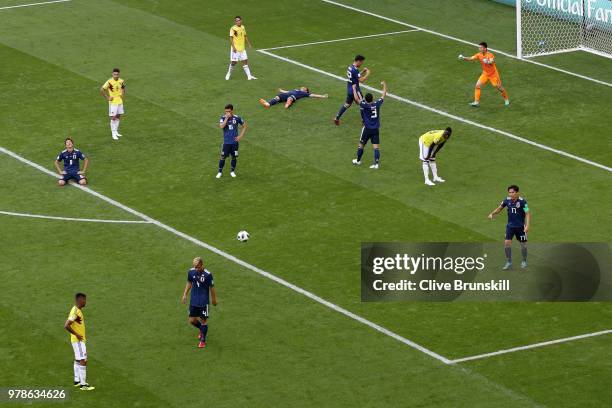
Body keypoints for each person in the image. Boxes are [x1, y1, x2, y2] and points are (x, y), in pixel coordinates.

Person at [488, 185, 531, 270]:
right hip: (510, 227)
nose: (511, 194)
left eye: (512, 192)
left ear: (517, 192)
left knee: (523, 245)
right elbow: (499, 208)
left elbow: (527, 213)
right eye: (509, 192)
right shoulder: (507, 200)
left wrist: (527, 225)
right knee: (507, 243)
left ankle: (524, 261)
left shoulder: (523, 202)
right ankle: (509, 262)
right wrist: (492, 213)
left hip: (520, 228)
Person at [181, 257, 218, 348]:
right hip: (194, 300)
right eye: (195, 266)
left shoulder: (208, 275)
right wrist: (185, 294)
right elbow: (189, 282)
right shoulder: (191, 272)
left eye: (197, 266)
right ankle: (202, 329)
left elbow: (212, 288)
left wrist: (213, 300)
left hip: (203, 302)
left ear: (202, 264)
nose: (196, 268)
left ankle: (203, 340)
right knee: (191, 320)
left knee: (203, 320)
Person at [458, 42, 509, 107]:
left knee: (499, 87)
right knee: (477, 86)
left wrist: (487, 61)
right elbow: (471, 58)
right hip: (485, 74)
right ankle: (476, 102)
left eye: (481, 47)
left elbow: (491, 62)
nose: (479, 48)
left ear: (485, 48)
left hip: (493, 74)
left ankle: (506, 99)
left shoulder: (490, 55)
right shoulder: (479, 55)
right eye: (479, 47)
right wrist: (463, 57)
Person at [351, 81, 387, 169]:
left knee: (361, 145)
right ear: (372, 98)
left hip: (367, 129)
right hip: (375, 129)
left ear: (366, 99)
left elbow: (356, 99)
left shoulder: (364, 105)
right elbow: (383, 95)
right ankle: (376, 164)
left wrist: (354, 89)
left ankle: (358, 160)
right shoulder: (377, 104)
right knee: (376, 147)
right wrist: (384, 85)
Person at [64, 293, 95, 391]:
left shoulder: (77, 310)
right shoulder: (75, 312)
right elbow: (66, 325)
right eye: (84, 300)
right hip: (78, 340)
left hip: (77, 340)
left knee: (78, 359)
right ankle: (83, 385)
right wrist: (77, 334)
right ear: (79, 300)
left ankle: (77, 381)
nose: (85, 302)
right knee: (83, 360)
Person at [334, 55, 369, 125]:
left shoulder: (350, 67)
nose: (361, 64)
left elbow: (356, 76)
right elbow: (361, 80)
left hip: (350, 89)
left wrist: (363, 71)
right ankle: (364, 121)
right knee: (362, 104)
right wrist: (368, 73)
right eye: (361, 62)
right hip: (355, 90)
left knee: (347, 104)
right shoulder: (355, 70)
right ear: (358, 61)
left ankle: (337, 117)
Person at [217, 104, 247, 179]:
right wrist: (226, 118)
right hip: (226, 143)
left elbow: (245, 126)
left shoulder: (237, 118)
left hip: (234, 143)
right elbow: (221, 126)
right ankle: (220, 172)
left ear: (232, 111)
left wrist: (240, 136)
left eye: (229, 111)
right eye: (226, 111)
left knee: (234, 157)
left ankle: (232, 171)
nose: (227, 113)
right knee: (223, 157)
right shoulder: (223, 118)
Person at [225, 16, 256, 81]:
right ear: (235, 22)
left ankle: (249, 76)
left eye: (239, 20)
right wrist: (233, 47)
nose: (238, 21)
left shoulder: (243, 27)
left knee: (245, 61)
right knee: (234, 62)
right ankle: (228, 73)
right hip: (235, 49)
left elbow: (245, 36)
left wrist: (249, 44)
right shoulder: (233, 28)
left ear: (241, 20)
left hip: (242, 48)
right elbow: (231, 38)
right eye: (236, 21)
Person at [100, 68, 126, 140]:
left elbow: (123, 88)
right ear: (112, 74)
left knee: (118, 115)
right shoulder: (109, 82)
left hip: (120, 101)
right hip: (113, 102)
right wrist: (107, 98)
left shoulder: (121, 81)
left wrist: (123, 94)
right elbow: (102, 89)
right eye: (114, 74)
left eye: (117, 74)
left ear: (119, 74)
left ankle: (116, 131)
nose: (116, 76)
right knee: (113, 117)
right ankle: (113, 133)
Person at [259, 87, 328, 109]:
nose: (303, 87)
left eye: (305, 88)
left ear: (306, 91)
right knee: (278, 96)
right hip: (285, 95)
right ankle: (267, 104)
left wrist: (322, 96)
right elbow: (288, 91)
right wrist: (282, 90)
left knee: (290, 98)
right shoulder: (295, 90)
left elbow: (313, 95)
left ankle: (287, 105)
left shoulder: (304, 93)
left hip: (292, 97)